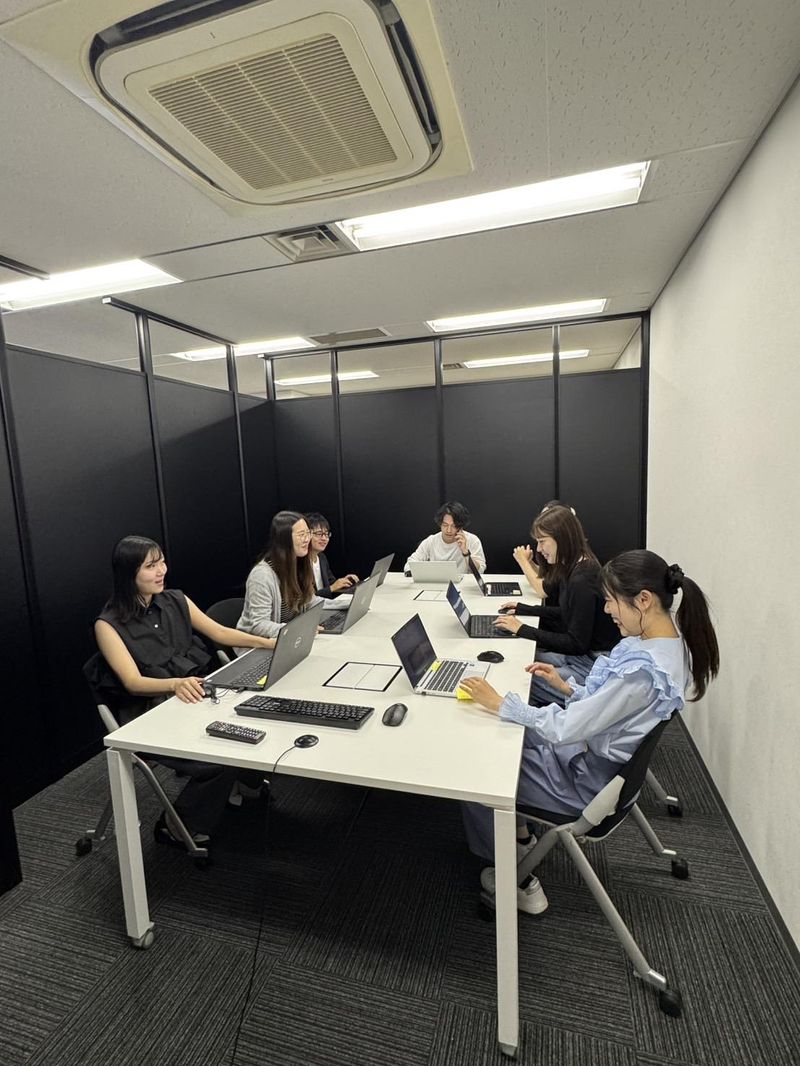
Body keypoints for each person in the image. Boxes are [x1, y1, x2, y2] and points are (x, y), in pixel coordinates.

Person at [459, 549, 720, 914]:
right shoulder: (667, 646)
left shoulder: (641, 671)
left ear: (644, 600)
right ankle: (520, 837)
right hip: (599, 765)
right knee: (510, 732)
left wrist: (502, 703)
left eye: (612, 601)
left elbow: (566, 727)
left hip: (582, 784)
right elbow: (612, 711)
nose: (607, 610)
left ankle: (516, 879)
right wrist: (568, 689)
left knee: (476, 772)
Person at [93, 535, 277, 846]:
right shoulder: (108, 624)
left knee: (255, 716)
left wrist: (269, 642)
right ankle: (177, 826)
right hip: (151, 711)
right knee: (220, 756)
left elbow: (219, 632)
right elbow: (133, 682)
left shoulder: (175, 599)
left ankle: (247, 785)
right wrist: (175, 683)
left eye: (162, 562)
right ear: (128, 573)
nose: (161, 571)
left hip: (193, 697)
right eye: (151, 566)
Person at [494, 505, 620, 705]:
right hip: (582, 657)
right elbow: (567, 612)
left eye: (542, 541)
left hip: (592, 664)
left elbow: (576, 643)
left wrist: (522, 628)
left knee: (521, 679)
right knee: (518, 659)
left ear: (562, 538)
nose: (538, 549)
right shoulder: (576, 565)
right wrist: (525, 609)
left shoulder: (582, 579)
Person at [237, 510, 323, 641]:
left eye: (308, 533)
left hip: (289, 639)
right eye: (301, 535)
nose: (307, 539)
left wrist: (347, 603)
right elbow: (259, 625)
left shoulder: (298, 565)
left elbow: (312, 602)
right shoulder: (262, 575)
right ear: (284, 539)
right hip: (259, 645)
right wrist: (299, 629)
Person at [404, 501, 486, 574]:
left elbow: (480, 570)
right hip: (436, 583)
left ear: (460, 526)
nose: (448, 530)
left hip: (463, 584)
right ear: (440, 524)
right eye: (445, 525)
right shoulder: (431, 541)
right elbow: (410, 564)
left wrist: (465, 552)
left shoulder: (472, 540)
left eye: (453, 526)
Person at [305, 512, 360, 597]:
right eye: (319, 534)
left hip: (327, 602)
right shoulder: (300, 564)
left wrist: (345, 581)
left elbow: (331, 583)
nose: (324, 538)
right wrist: (332, 588)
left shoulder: (321, 557)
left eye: (326, 534)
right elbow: (306, 599)